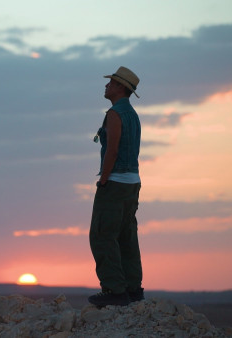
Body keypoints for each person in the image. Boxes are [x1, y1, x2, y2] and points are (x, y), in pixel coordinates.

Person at [88, 66, 144, 308]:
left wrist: (103, 181)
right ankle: (133, 289)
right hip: (133, 182)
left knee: (102, 235)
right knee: (127, 236)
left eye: (110, 83)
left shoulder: (114, 114)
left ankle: (114, 290)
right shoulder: (133, 114)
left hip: (115, 182)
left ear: (121, 87)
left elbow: (111, 150)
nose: (106, 85)